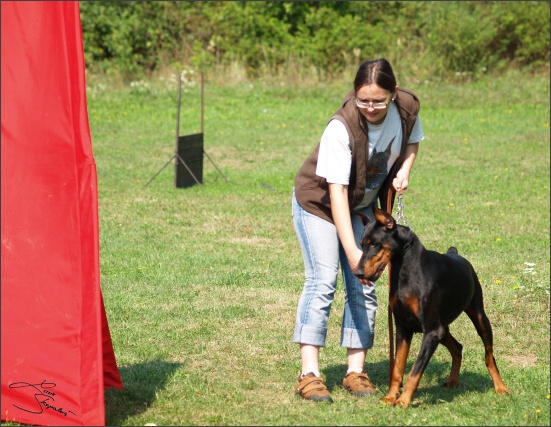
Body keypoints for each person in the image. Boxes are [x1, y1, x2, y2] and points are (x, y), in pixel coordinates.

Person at [291, 58, 424, 402]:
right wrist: (352, 251)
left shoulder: (406, 108)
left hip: (361, 205)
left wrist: (405, 170)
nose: (370, 107)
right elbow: (335, 193)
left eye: (378, 101)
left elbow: (412, 142)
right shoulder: (341, 127)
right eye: (363, 99)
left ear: (393, 93)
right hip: (319, 203)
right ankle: (309, 374)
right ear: (355, 94)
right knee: (322, 280)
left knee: (363, 283)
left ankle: (355, 371)